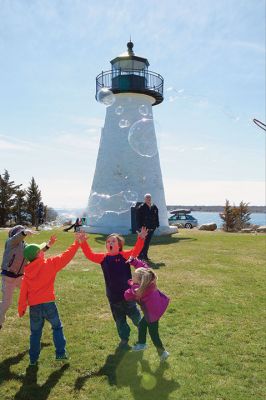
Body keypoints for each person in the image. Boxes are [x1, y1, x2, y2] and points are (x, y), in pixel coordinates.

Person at [79, 227, 148, 350]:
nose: (110, 243)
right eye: (108, 242)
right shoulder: (103, 258)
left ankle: (143, 333)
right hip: (113, 296)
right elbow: (89, 255)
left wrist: (141, 239)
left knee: (136, 316)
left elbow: (135, 251)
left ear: (120, 245)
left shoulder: (125, 255)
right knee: (120, 321)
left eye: (113, 241)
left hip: (128, 295)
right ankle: (124, 339)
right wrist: (83, 242)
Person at [18, 234, 80, 366]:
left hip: (34, 307)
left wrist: (21, 308)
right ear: (39, 255)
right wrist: (76, 243)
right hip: (49, 304)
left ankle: (33, 360)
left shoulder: (27, 273)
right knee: (57, 327)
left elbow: (23, 293)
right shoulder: (50, 264)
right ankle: (60, 354)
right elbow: (66, 256)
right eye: (41, 250)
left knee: (35, 333)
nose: (43, 252)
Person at [0, 225, 56, 330]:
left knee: (34, 292)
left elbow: (35, 251)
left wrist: (48, 245)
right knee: (7, 303)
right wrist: (24, 232)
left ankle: (48, 316)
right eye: (21, 232)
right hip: (8, 277)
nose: (24, 234)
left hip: (20, 277)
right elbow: (17, 237)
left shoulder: (25, 245)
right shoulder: (10, 242)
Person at [124, 259, 170, 362]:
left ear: (140, 281)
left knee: (154, 334)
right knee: (142, 324)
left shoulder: (139, 289)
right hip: (156, 308)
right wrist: (134, 262)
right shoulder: (148, 279)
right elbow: (145, 268)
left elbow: (127, 295)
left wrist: (131, 285)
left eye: (134, 277)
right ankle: (142, 343)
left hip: (151, 314)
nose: (132, 277)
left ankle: (162, 352)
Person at [136, 193, 159, 260]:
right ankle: (139, 255)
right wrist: (140, 226)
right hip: (144, 228)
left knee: (147, 243)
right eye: (147, 198)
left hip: (152, 227)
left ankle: (145, 256)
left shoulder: (154, 206)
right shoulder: (141, 207)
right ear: (145, 199)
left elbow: (156, 216)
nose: (148, 199)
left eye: (149, 197)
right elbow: (138, 218)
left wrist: (157, 224)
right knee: (142, 242)